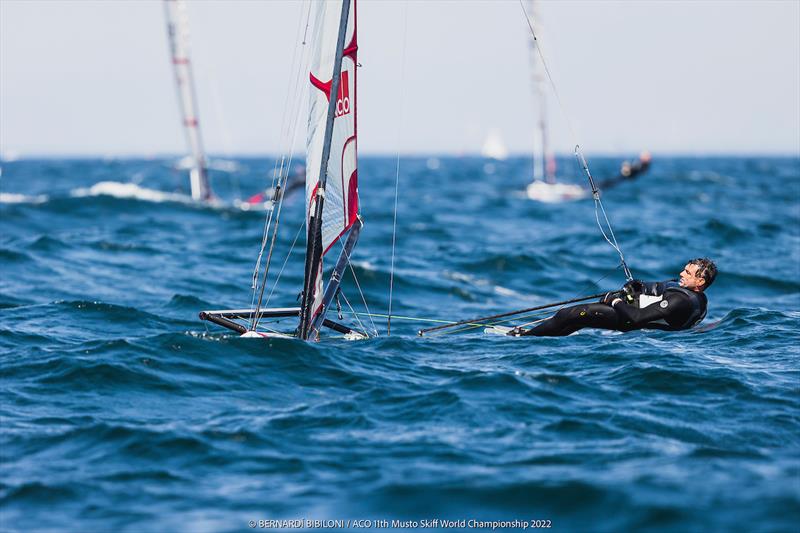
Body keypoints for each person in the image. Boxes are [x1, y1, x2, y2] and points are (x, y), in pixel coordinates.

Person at [509, 258, 717, 337]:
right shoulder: (682, 289)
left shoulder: (681, 301)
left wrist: (615, 301)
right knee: (577, 318)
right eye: (684, 270)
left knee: (573, 313)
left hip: (636, 323)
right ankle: (540, 336)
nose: (682, 274)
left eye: (688, 273)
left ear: (700, 283)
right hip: (637, 314)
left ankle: (526, 338)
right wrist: (636, 287)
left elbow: (636, 319)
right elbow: (655, 287)